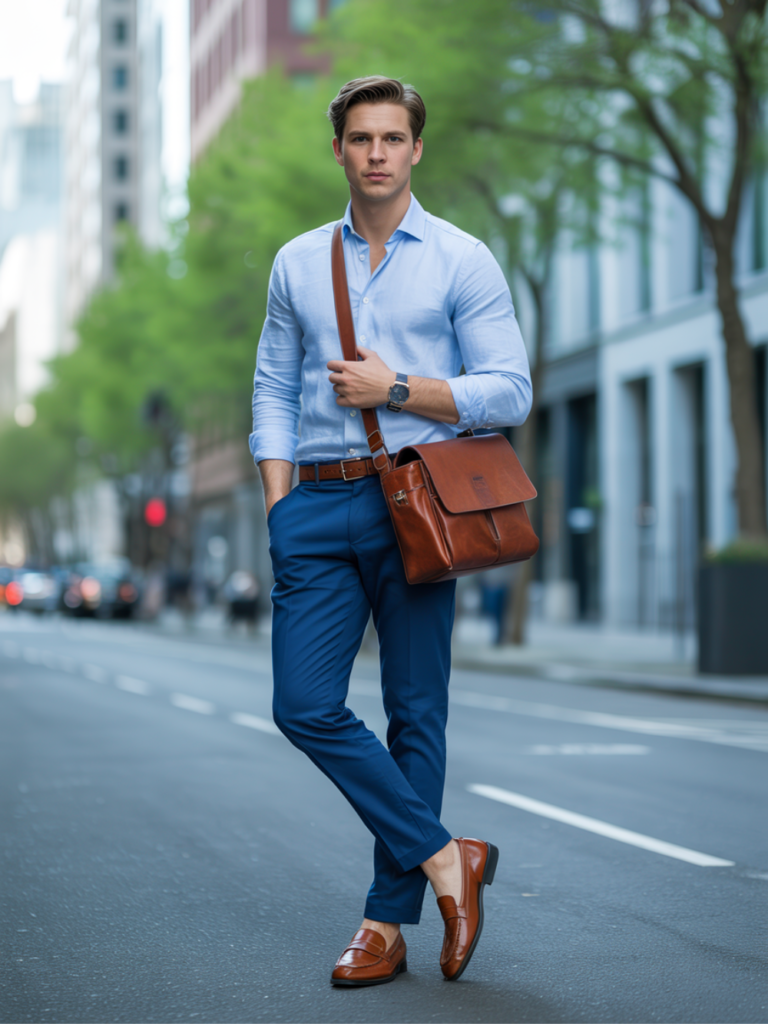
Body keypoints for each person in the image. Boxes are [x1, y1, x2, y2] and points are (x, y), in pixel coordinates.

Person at [249, 76, 532, 986]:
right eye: (360, 138)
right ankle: (449, 859)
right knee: (303, 705)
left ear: (417, 150)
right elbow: (271, 387)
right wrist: (278, 504)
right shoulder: (296, 261)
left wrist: (399, 389)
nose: (376, 152)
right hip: (317, 508)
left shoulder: (461, 259)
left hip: (418, 503)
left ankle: (383, 921)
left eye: (392, 138)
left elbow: (510, 390)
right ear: (339, 150)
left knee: (415, 714)